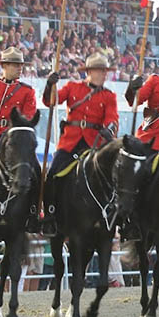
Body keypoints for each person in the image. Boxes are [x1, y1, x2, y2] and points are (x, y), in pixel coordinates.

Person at [39, 52, 119, 236]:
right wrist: (49, 84)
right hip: (71, 142)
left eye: (105, 71)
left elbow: (112, 117)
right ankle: (50, 215)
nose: (104, 74)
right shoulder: (72, 87)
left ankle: (119, 215)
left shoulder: (109, 96)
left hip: (95, 143)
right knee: (51, 175)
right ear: (89, 72)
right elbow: (51, 100)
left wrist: (109, 129)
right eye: (100, 71)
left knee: (118, 175)